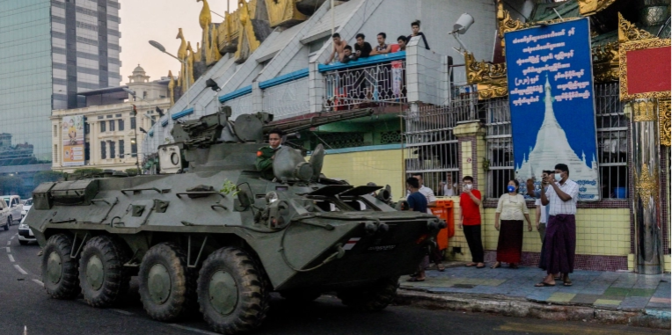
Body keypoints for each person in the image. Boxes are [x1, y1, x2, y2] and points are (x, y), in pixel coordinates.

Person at [536, 163, 579, 287]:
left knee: (567, 247)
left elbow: (565, 197)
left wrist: (553, 183)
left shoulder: (573, 185)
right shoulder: (551, 186)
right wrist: (543, 187)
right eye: (554, 172)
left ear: (564, 173)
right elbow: (544, 202)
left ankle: (566, 274)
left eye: (557, 172)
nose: (554, 174)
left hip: (567, 220)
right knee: (551, 247)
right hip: (554, 219)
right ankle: (551, 275)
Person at [492, 179, 532, 269]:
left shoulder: (521, 197)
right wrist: (496, 222)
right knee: (503, 243)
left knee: (515, 243)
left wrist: (529, 223)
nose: (510, 185)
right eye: (509, 184)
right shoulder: (503, 196)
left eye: (512, 184)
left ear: (517, 187)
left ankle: (513, 262)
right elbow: (498, 210)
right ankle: (499, 261)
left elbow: (525, 211)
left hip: (517, 223)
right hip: (506, 222)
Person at [405, 177, 429, 281]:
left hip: (415, 227)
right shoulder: (422, 196)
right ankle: (421, 273)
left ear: (410, 186)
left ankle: (420, 274)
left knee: (414, 251)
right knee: (422, 250)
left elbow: (410, 212)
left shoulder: (411, 197)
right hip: (423, 226)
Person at [459, 176, 484, 268]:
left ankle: (481, 260)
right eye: (465, 183)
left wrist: (470, 194)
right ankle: (475, 260)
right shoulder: (462, 195)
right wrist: (460, 220)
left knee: (477, 241)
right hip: (466, 221)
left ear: (472, 183)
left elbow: (478, 202)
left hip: (475, 221)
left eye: (469, 183)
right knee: (470, 241)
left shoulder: (476, 192)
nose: (467, 185)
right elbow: (461, 207)